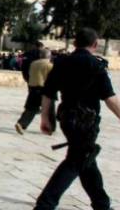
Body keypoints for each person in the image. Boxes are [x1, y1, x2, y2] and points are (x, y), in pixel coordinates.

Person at [34, 28, 120, 210]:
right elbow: (110, 98)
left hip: (66, 119)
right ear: (95, 45)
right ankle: (45, 204)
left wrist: (45, 119)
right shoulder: (96, 66)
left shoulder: (62, 63)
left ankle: (102, 204)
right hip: (86, 122)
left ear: (74, 43)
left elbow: (48, 93)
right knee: (76, 161)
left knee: (86, 160)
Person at [16, 48, 53, 134]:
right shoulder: (49, 65)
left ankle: (21, 124)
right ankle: (49, 127)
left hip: (32, 88)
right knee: (50, 109)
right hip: (43, 89)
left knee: (30, 109)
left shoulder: (33, 63)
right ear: (49, 56)